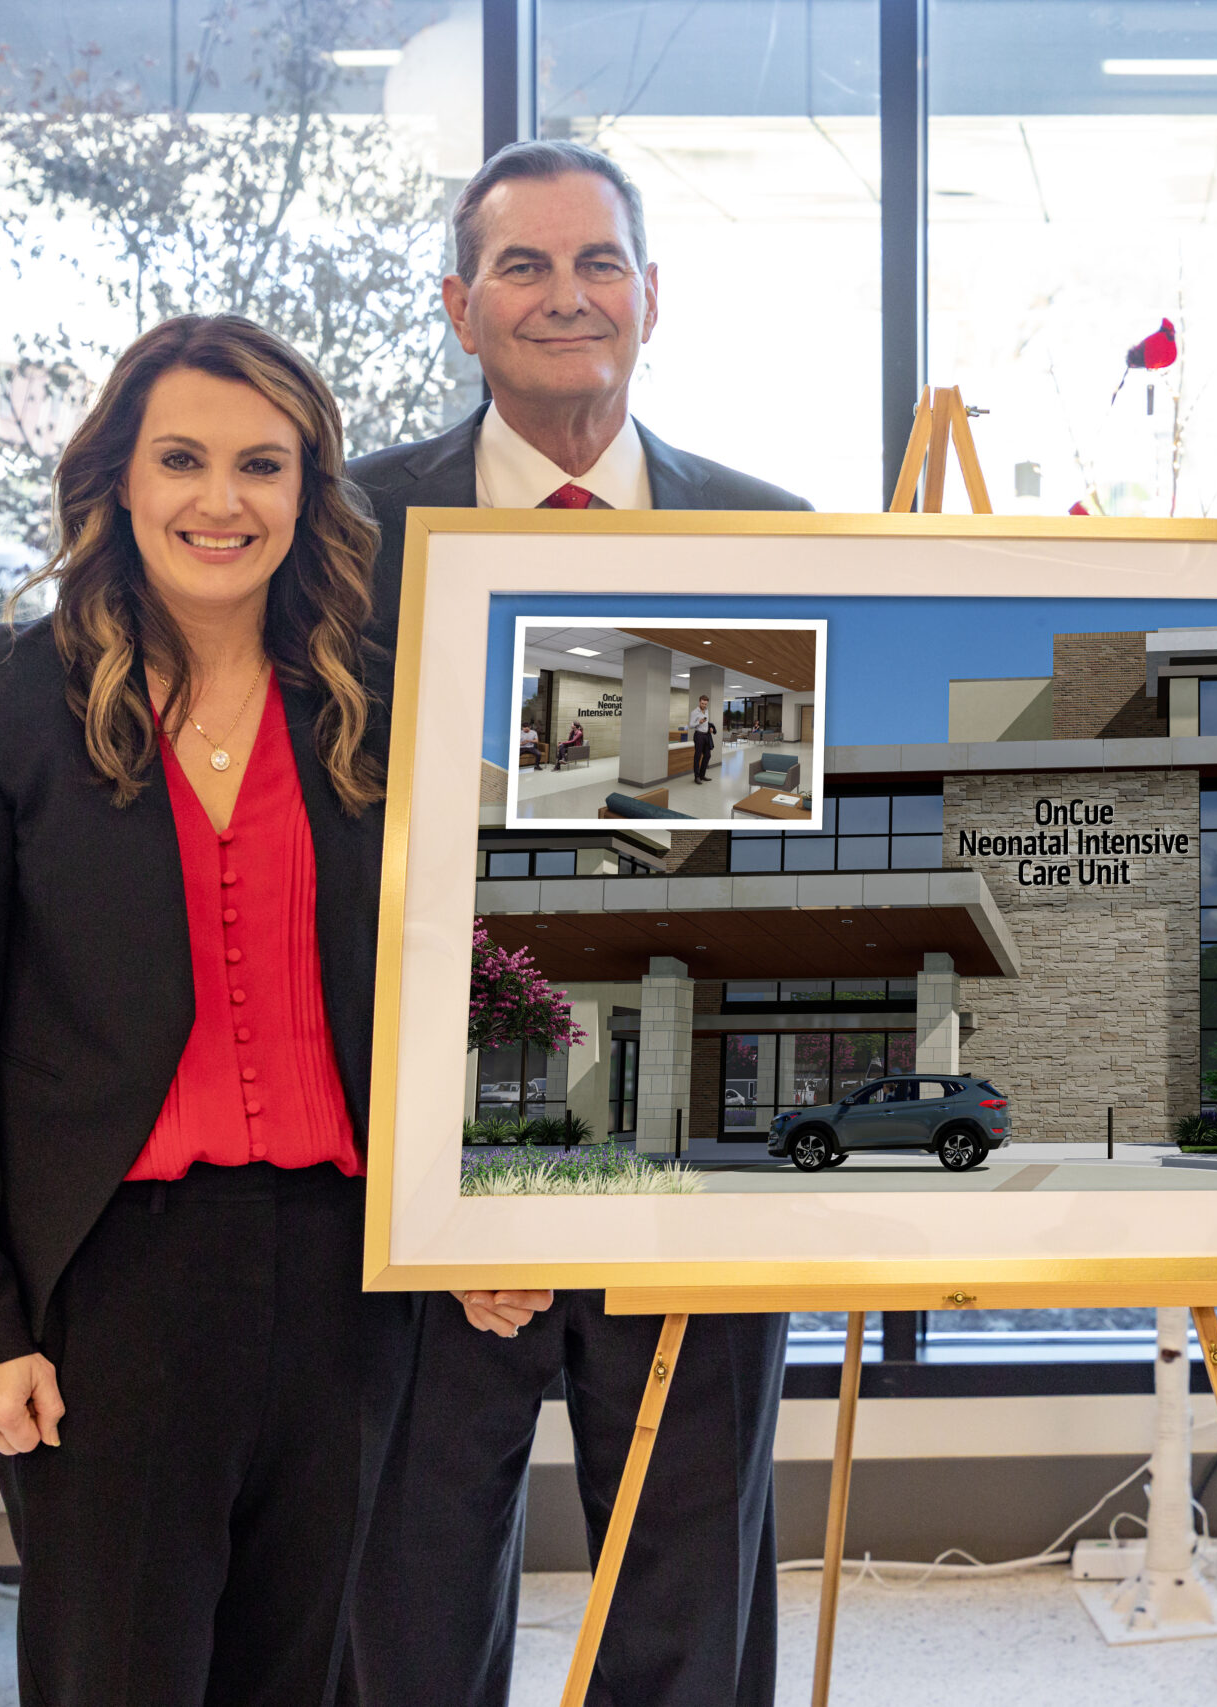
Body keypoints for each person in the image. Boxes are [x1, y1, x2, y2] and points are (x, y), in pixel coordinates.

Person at [0, 314, 413, 1703]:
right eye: (182, 459)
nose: (221, 500)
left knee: (305, 1668)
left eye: (262, 463)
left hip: (345, 1272)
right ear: (120, 477)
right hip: (111, 1281)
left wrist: (489, 1212)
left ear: (310, 487)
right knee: (117, 1672)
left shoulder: (381, 701)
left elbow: (468, 983)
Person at [343, 139, 806, 1707]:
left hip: (695, 1166)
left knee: (684, 1602)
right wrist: (439, 1166)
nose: (565, 295)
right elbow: (326, 872)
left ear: (652, 297)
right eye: (524, 267)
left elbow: (740, 879)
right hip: (413, 1179)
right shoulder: (343, 537)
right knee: (401, 1596)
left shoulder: (766, 533)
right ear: (460, 305)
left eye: (598, 262)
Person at [689, 693, 716, 782]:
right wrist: (698, 722)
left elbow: (706, 723)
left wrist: (710, 728)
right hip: (699, 735)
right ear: (699, 702)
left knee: (707, 755)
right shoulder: (694, 712)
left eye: (705, 704)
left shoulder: (707, 711)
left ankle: (702, 775)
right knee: (697, 756)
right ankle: (696, 777)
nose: (704, 705)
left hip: (706, 735)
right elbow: (691, 725)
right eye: (702, 703)